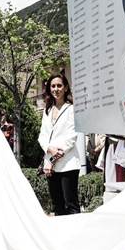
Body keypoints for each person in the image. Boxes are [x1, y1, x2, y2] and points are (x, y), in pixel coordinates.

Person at [37, 74, 80, 215]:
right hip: (50, 165)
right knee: (57, 206)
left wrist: (54, 157)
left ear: (66, 88)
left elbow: (71, 137)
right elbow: (42, 136)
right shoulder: (47, 110)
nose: (56, 89)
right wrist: (49, 150)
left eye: (59, 86)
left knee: (71, 205)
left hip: (68, 163)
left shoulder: (72, 109)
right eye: (53, 86)